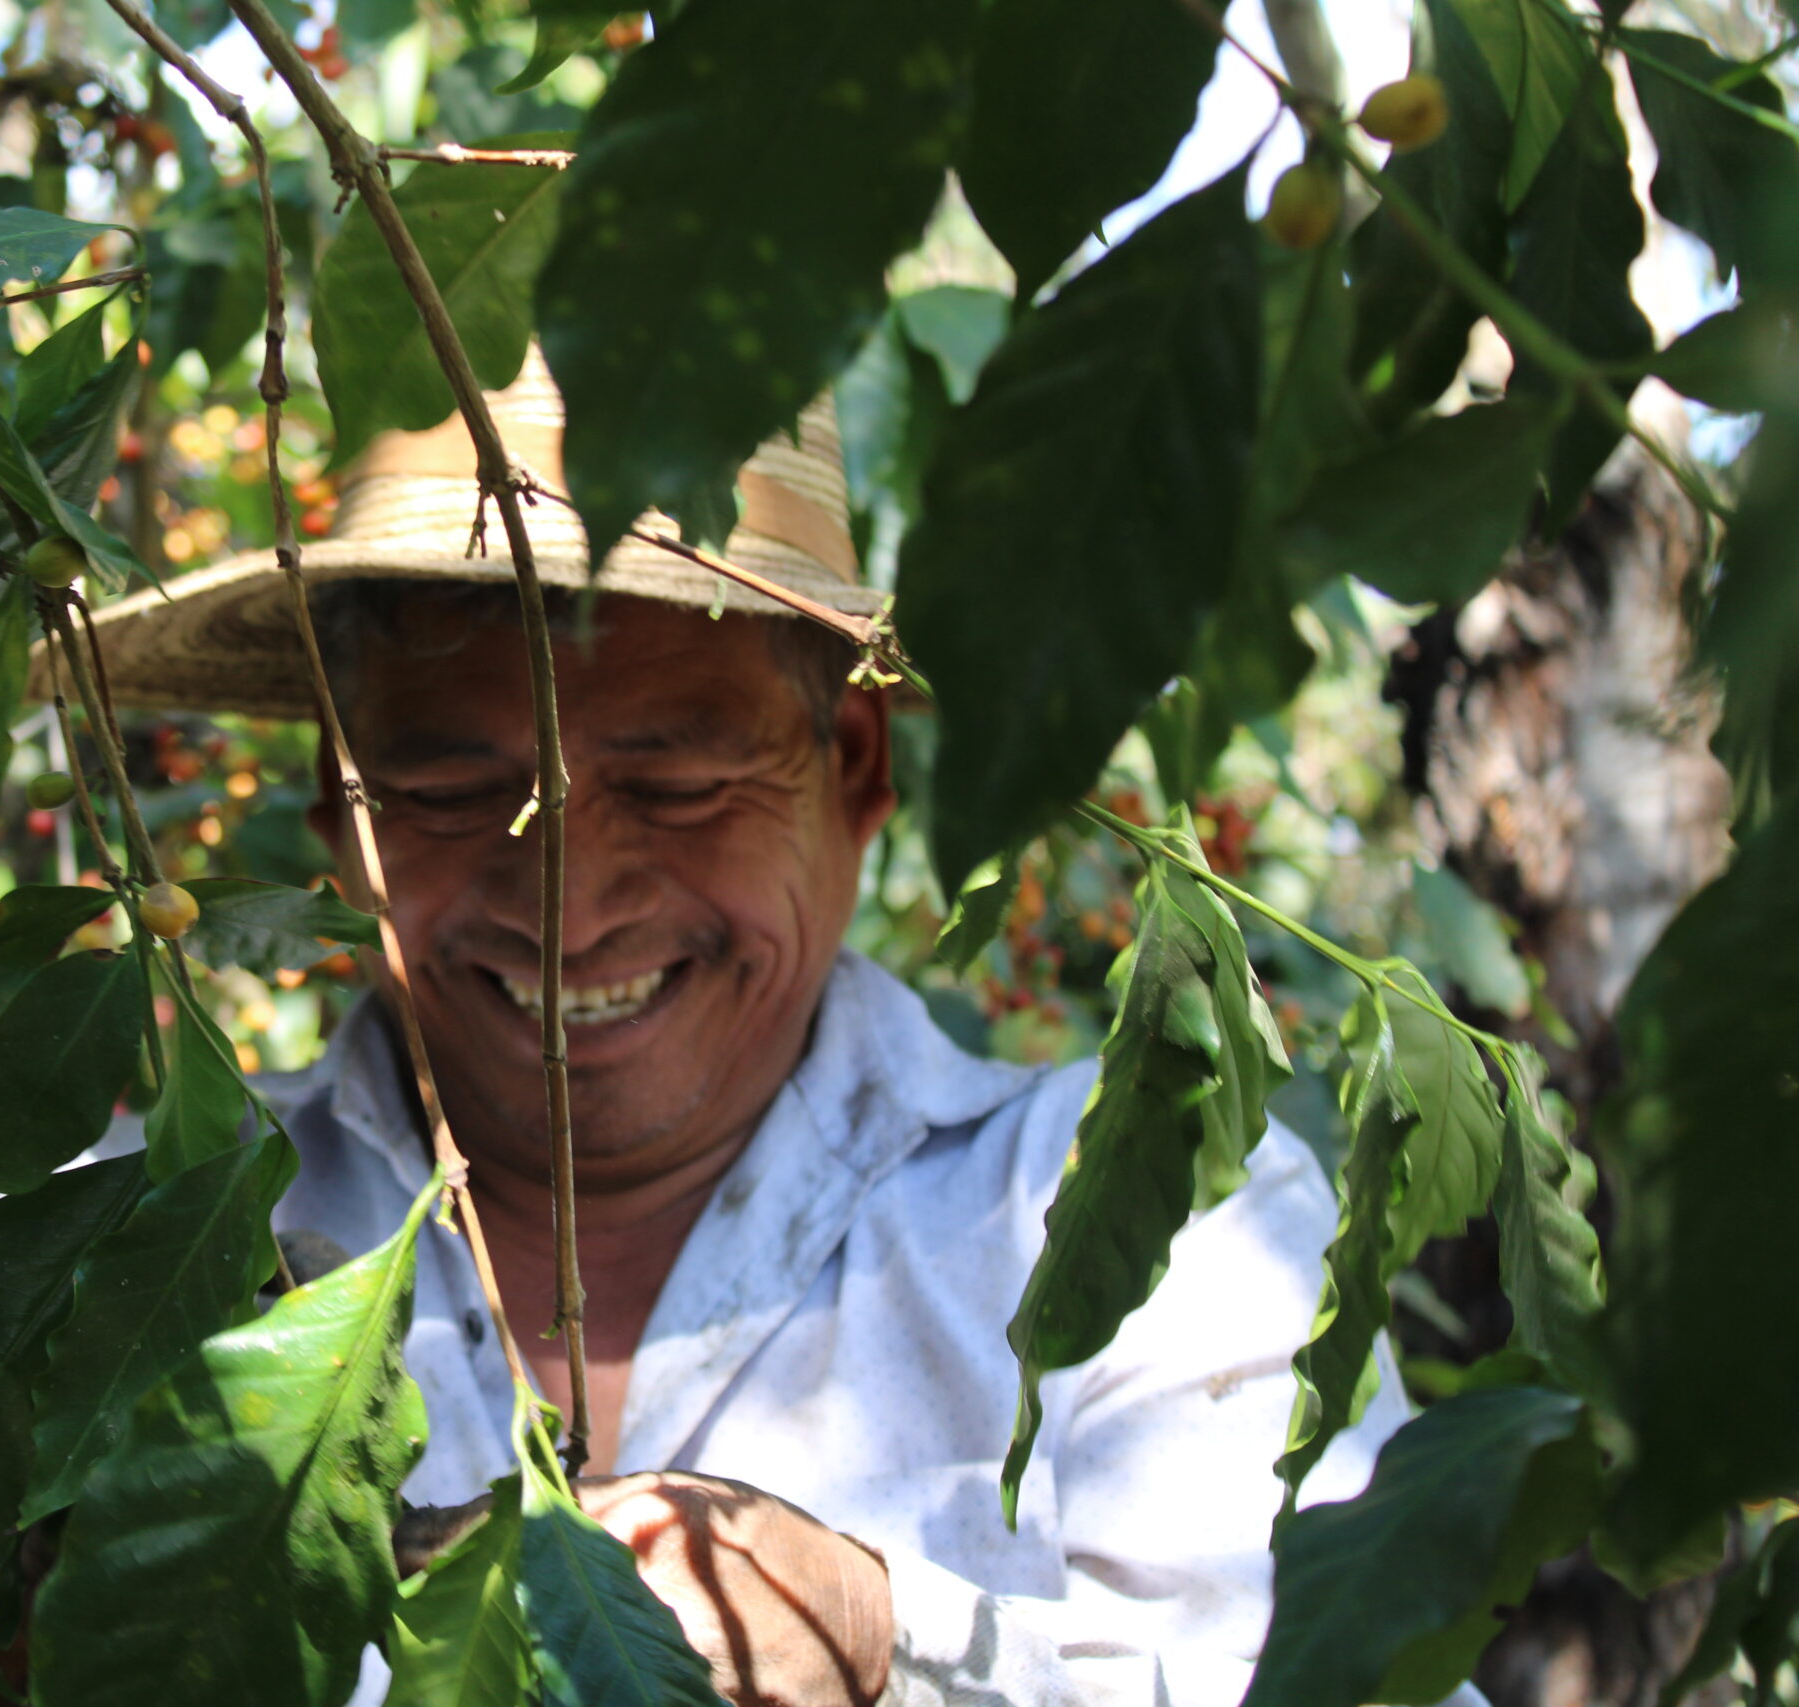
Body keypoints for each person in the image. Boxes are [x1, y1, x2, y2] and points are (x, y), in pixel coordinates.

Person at [76, 351, 1418, 1707]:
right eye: (446, 786)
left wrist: (890, 1656)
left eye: (679, 782)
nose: (574, 905)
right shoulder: (97, 1260)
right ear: (338, 806)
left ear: (854, 769)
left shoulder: (1161, 1240)